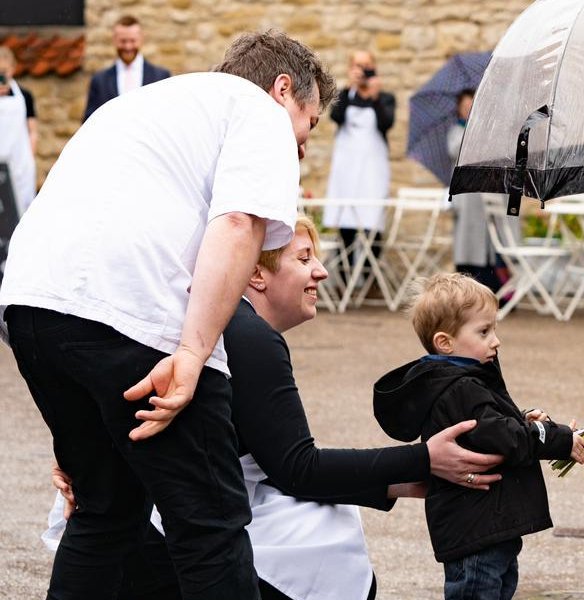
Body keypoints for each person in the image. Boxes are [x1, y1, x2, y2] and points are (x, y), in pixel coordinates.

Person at [0, 30, 334, 599]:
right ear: (283, 90)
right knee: (210, 523)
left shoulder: (141, 105)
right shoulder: (257, 112)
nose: (302, 147)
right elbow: (237, 225)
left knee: (104, 507)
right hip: (131, 311)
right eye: (310, 124)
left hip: (31, 304)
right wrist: (192, 354)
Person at [44, 216, 506, 600]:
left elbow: (274, 456)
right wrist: (426, 459)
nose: (321, 271)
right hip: (162, 527)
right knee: (328, 536)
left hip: (149, 509)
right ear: (255, 274)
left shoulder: (229, 324)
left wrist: (401, 479)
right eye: (304, 259)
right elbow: (297, 468)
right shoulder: (249, 335)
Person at [373, 273, 584, 600]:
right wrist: (560, 439)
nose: (496, 340)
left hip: (487, 527)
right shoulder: (460, 387)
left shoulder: (466, 381)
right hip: (477, 533)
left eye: (494, 329)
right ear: (445, 342)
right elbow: (508, 439)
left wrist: (521, 418)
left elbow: (489, 429)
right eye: (483, 331)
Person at [323, 49, 396, 274]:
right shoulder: (344, 95)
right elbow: (336, 116)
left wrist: (374, 98)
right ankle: (346, 277)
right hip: (347, 169)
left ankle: (368, 275)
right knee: (346, 221)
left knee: (372, 221)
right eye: (358, 66)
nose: (363, 71)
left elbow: (386, 124)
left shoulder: (385, 98)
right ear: (351, 69)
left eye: (367, 66)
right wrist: (350, 87)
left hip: (372, 170)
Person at [447, 89, 501, 291]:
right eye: (465, 107)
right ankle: (464, 287)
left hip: (483, 194)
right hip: (465, 196)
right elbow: (454, 151)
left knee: (484, 244)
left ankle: (489, 286)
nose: (469, 111)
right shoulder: (456, 132)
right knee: (466, 243)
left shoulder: (488, 132)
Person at [83, 15, 171, 121]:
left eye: (132, 41)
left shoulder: (161, 77)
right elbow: (89, 122)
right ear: (115, 40)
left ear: (141, 39)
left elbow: (167, 118)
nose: (128, 47)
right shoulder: (99, 81)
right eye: (123, 41)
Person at [0, 46, 36, 215]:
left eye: (3, 71)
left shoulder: (25, 96)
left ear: (12, 69)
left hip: (20, 166)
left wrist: (29, 158)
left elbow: (32, 130)